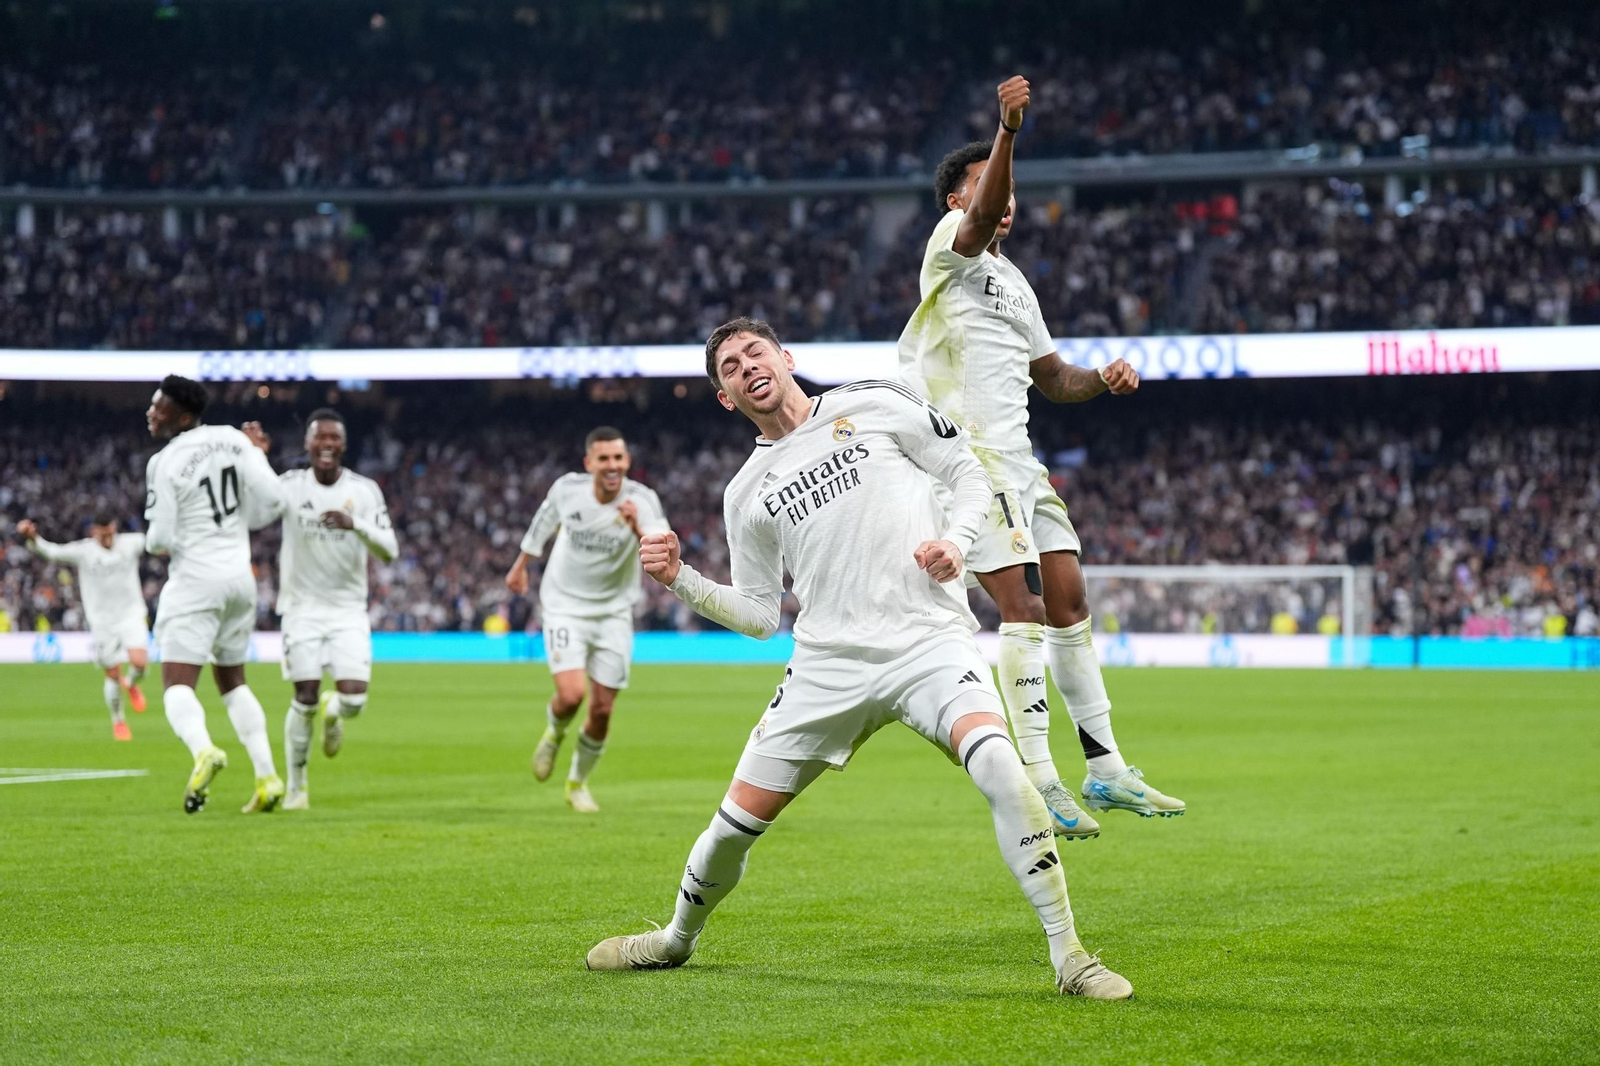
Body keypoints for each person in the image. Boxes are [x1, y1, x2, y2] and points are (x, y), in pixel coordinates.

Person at [585, 318, 1132, 999]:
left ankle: (1071, 957)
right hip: (827, 666)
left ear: (785, 358)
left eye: (755, 352)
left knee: (999, 765)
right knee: (731, 830)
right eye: (730, 366)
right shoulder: (745, 493)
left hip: (927, 642)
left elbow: (966, 471)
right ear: (726, 397)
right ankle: (674, 939)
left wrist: (958, 543)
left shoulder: (873, 401)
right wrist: (681, 580)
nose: (746, 365)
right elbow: (759, 615)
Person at [898, 75, 1184, 838]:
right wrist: (1008, 132)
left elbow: (1054, 379)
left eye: (1008, 189)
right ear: (957, 198)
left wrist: (1104, 379)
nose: (1006, 199)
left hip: (1022, 462)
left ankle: (1106, 768)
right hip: (970, 460)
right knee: (1020, 608)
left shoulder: (1017, 283)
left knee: (1069, 601)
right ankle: (1038, 779)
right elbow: (982, 212)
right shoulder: (948, 246)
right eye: (988, 185)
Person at [505, 427, 669, 813]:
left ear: (627, 462)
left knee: (602, 710)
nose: (612, 465)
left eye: (618, 458)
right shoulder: (567, 490)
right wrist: (520, 565)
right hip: (564, 606)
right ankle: (554, 733)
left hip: (614, 613)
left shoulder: (641, 500)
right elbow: (542, 523)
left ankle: (577, 783)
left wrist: (636, 527)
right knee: (571, 696)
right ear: (589, 463)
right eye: (604, 459)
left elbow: (661, 551)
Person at [143, 374, 284, 814]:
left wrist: (167, 536)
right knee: (233, 681)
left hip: (195, 581)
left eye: (160, 408)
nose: (151, 413)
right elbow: (274, 500)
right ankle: (267, 777)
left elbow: (158, 539)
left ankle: (204, 751)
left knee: (176, 684)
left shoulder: (164, 461)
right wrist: (256, 460)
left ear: (183, 418)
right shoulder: (234, 440)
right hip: (240, 579)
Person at [255, 409, 396, 811]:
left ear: (344, 445)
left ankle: (335, 712)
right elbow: (255, 512)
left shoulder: (364, 491)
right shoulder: (289, 486)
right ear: (308, 444)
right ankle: (297, 788)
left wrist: (355, 525)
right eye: (320, 437)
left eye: (334, 438)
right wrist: (256, 460)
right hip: (300, 609)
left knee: (354, 701)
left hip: (348, 609)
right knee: (304, 696)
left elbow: (390, 550)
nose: (327, 444)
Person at [16, 513, 149, 739]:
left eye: (110, 533)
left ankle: (131, 683)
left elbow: (157, 541)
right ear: (94, 531)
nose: (107, 538)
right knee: (112, 674)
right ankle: (118, 721)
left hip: (131, 614)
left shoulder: (131, 543)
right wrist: (33, 537)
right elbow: (52, 552)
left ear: (114, 528)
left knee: (140, 662)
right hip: (102, 621)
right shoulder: (84, 551)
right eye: (102, 534)